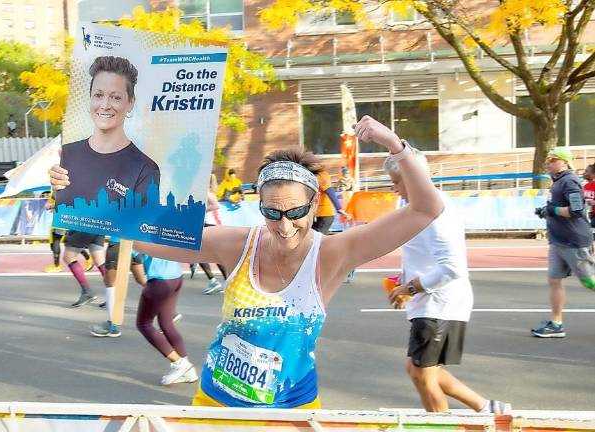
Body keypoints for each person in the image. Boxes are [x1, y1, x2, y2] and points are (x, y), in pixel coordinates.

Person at [51, 115, 444, 407]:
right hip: (218, 402)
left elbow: (426, 208)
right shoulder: (237, 244)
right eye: (272, 213)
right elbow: (139, 231)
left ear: (314, 206)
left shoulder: (333, 253)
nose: (285, 225)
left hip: (292, 406)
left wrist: (394, 144)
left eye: (295, 213)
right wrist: (75, 189)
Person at [383, 150, 508, 414]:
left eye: (397, 181)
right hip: (433, 302)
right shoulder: (421, 206)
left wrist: (411, 287)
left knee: (422, 376)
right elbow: (423, 254)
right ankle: (486, 407)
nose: (394, 188)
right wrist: (405, 284)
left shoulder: (437, 212)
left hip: (440, 303)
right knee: (418, 369)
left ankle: (442, 424)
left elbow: (453, 268)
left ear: (413, 177)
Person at [54, 55, 161, 210]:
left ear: (130, 102)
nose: (105, 105)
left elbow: (141, 229)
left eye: (115, 97)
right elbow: (60, 220)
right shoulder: (68, 154)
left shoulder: (145, 169)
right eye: (98, 95)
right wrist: (55, 199)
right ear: (90, 98)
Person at [532, 147, 595, 338]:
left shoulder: (569, 181)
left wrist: (552, 210)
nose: (547, 162)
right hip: (558, 241)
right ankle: (556, 324)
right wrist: (547, 210)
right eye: (547, 158)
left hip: (574, 241)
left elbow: (576, 211)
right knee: (554, 280)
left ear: (564, 162)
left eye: (553, 159)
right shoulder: (558, 181)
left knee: (589, 282)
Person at [136, 253, 199, 385]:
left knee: (144, 323)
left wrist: (148, 288)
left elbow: (135, 264)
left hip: (158, 280)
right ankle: (187, 370)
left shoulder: (132, 234)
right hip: (175, 276)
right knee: (166, 323)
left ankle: (179, 363)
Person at [90, 237, 147, 337]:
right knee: (142, 280)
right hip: (135, 244)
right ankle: (168, 312)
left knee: (110, 283)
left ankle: (112, 326)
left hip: (118, 244)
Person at [41, 191, 93, 273]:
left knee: (58, 241)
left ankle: (57, 266)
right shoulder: (57, 192)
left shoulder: (65, 191)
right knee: (68, 242)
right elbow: (47, 206)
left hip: (64, 220)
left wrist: (55, 206)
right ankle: (88, 259)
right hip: (63, 220)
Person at [189, 191, 227, 295]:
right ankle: (224, 282)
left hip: (210, 225)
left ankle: (215, 281)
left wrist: (200, 211)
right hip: (206, 225)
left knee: (198, 253)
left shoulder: (206, 193)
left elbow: (216, 205)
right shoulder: (200, 193)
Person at [313, 169, 350, 235]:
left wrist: (339, 209)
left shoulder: (321, 175)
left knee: (316, 238)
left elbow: (329, 190)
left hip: (324, 215)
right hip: (316, 214)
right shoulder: (310, 174)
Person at [582, 163, 595, 238]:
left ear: (593, 174)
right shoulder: (585, 186)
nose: (584, 173)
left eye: (587, 171)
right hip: (588, 214)